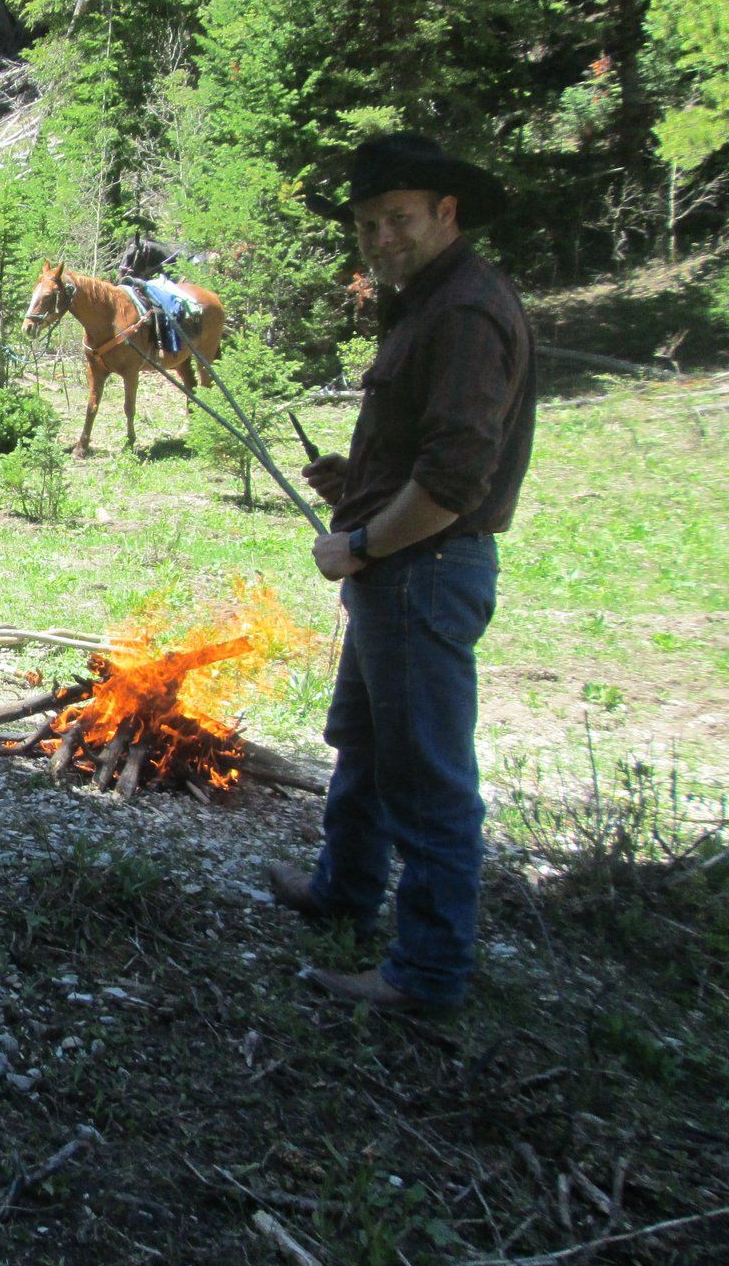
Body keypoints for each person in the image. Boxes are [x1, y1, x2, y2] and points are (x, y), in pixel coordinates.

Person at [270, 132, 537, 1013]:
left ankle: (424, 976)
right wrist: (359, 487)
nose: (381, 239)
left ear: (446, 213)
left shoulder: (463, 310)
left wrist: (363, 542)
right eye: (367, 225)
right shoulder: (428, 300)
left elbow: (459, 479)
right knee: (367, 743)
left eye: (399, 219)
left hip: (424, 569)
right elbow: (429, 453)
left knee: (427, 776)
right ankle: (345, 891)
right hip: (402, 565)